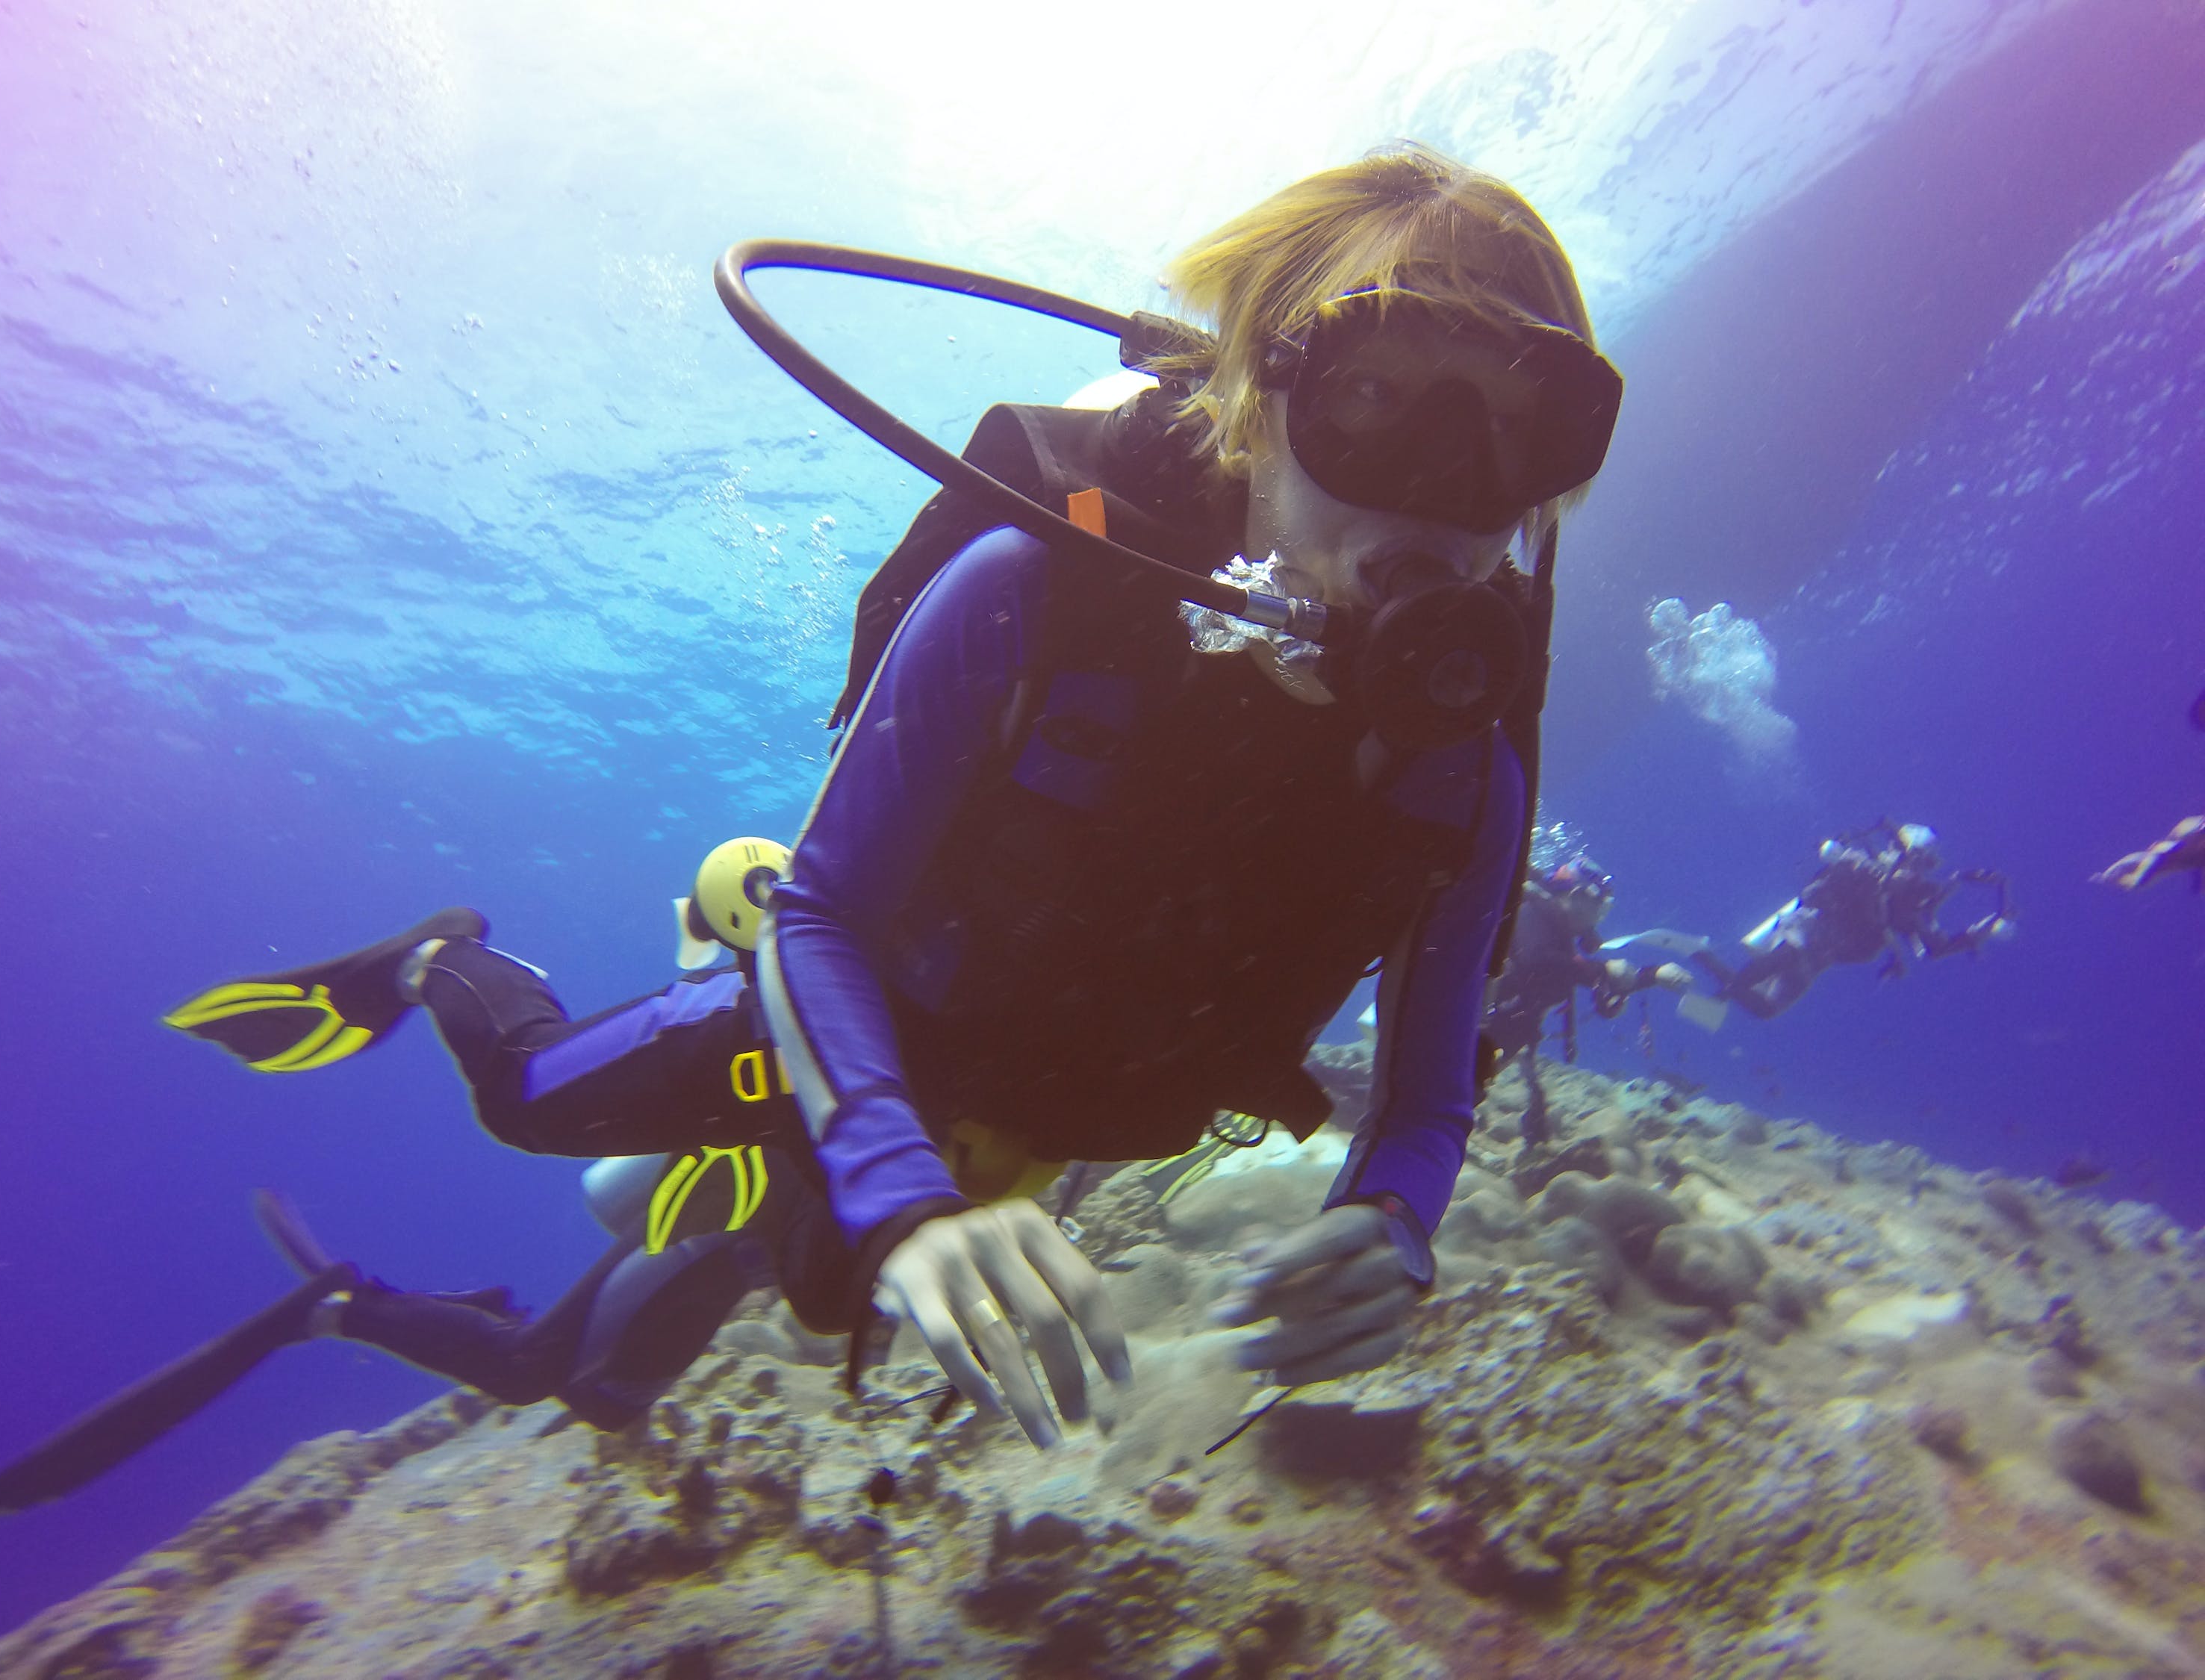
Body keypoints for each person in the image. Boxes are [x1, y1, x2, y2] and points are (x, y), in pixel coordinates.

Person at [160, 144, 1623, 1453]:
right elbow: (828, 917)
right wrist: (902, 1192)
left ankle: (749, 1215)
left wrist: (1395, 1224)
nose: (1440, 489)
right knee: (531, 1107)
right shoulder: (1036, 591)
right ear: (1257, 397)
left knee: (795, 1293)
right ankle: (439, 956)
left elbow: (1429, 1091)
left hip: (1056, 1105)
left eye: (1522, 433)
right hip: (876, 1022)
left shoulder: (1461, 769)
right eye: (1376, 399)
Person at [0, 850, 834, 1513]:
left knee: (603, 1399)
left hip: (749, 1226)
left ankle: (439, 1310)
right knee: (521, 1110)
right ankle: (438, 961)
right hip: (732, 1197)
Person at [1481, 856, 1702, 1143]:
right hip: (1461, 1034)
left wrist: (1654, 975)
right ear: (1576, 896)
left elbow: (1584, 974)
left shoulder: (1558, 937)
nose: (1599, 919)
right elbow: (1538, 961)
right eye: (1600, 908)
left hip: (1485, 1047)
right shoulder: (1530, 913)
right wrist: (1603, 969)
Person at [1703, 821, 2013, 1021]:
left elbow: (1935, 947)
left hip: (1823, 957)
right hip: (1805, 930)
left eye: (1923, 865)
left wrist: (1973, 935)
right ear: (1895, 851)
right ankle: (1720, 995)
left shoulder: (1908, 906)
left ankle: (1703, 957)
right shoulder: (1860, 868)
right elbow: (1816, 892)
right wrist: (1859, 875)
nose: (1916, 871)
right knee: (1787, 954)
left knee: (1767, 1009)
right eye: (1913, 859)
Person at [2093, 815, 2205, 892]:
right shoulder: (2193, 827)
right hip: (2161, 857)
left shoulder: (2194, 828)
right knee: (2135, 880)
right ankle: (2104, 879)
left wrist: (2197, 880)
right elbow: (2162, 849)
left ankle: (2106, 879)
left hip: (2172, 860)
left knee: (2136, 881)